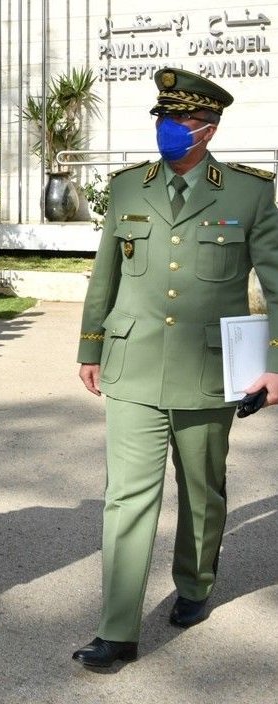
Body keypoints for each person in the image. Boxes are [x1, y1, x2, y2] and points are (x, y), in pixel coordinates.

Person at [73, 67, 278, 668]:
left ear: (208, 129)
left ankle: (194, 583)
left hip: (208, 370)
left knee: (202, 490)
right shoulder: (127, 188)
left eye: (182, 119)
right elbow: (105, 274)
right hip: (133, 364)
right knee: (126, 498)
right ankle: (117, 629)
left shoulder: (249, 194)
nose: (169, 127)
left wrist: (274, 365)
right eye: (164, 117)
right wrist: (90, 347)